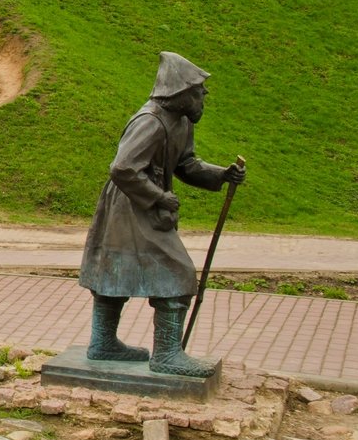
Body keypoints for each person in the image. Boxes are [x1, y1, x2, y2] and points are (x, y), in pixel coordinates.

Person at [79, 52, 246, 378]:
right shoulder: (150, 122)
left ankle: (104, 344)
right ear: (180, 92)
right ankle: (165, 354)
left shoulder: (181, 122)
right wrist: (158, 196)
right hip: (130, 205)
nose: (204, 97)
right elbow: (123, 167)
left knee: (118, 271)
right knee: (176, 272)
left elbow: (187, 164)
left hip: (145, 205)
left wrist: (220, 175)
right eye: (199, 91)